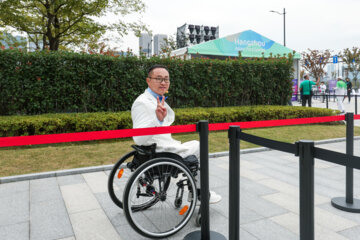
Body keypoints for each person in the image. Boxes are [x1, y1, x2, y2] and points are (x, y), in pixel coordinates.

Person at [131, 64, 221, 204]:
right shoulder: (142, 103)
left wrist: (159, 120)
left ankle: (196, 187)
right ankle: (199, 192)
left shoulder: (156, 98)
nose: (163, 83)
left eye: (166, 79)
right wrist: (157, 120)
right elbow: (139, 138)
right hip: (160, 150)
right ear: (148, 80)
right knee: (200, 146)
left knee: (195, 146)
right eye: (158, 79)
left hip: (161, 146)